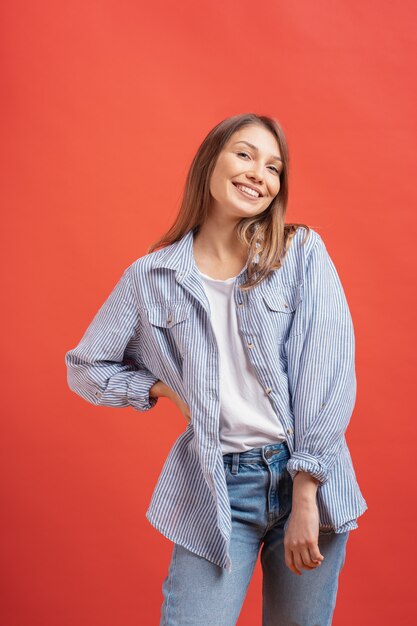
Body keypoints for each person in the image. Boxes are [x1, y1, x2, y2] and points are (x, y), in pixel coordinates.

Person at [65, 112, 368, 626]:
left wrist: (305, 491)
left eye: (274, 168)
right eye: (245, 155)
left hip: (308, 478)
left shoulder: (300, 254)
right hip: (217, 486)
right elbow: (85, 368)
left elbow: (328, 371)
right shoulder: (152, 277)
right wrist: (161, 388)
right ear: (210, 162)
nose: (260, 174)